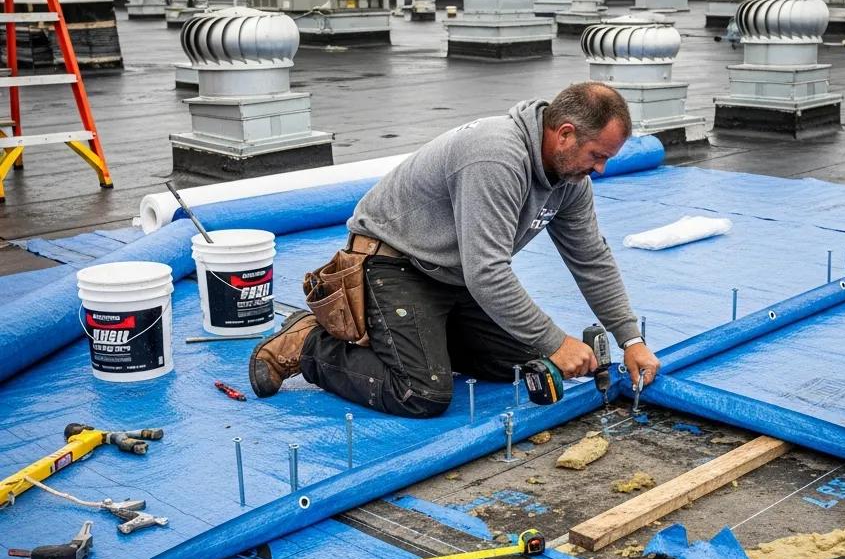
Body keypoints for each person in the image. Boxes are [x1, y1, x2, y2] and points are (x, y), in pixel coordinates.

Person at [248, 81, 661, 416]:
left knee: (526, 364)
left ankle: (419, 338)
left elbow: (591, 259)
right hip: (393, 264)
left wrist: (630, 340)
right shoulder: (496, 156)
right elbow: (488, 272)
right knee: (420, 393)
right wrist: (557, 339)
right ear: (565, 133)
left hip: (454, 274)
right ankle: (306, 344)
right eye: (598, 155)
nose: (602, 169)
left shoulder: (570, 181)